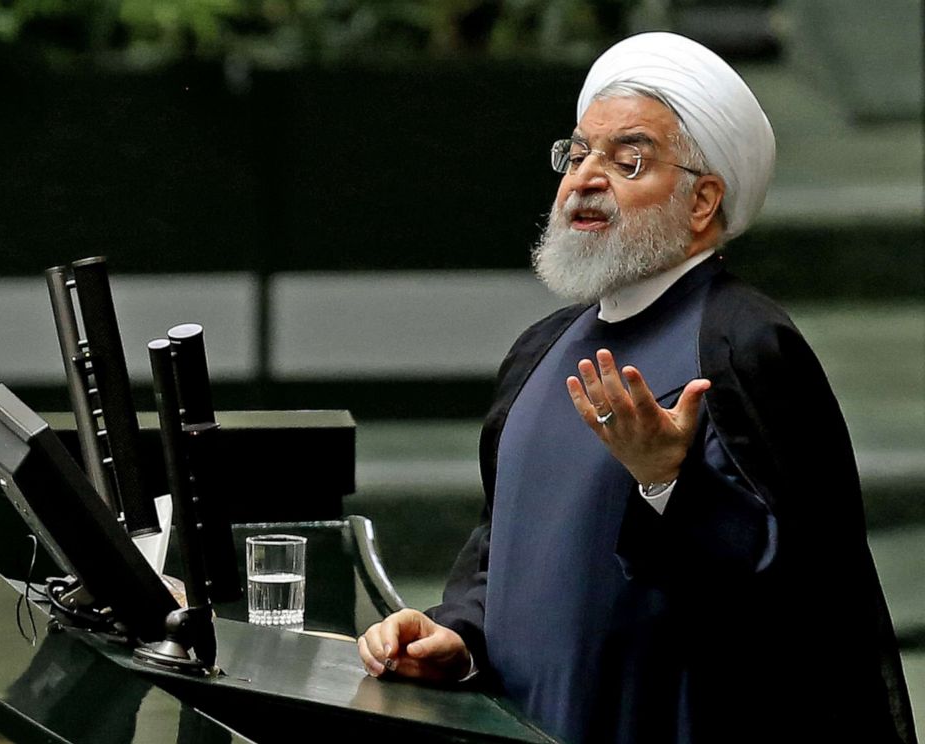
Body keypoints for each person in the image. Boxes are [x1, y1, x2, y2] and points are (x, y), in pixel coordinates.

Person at [357, 32, 916, 744]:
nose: (586, 178)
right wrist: (456, 636)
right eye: (578, 153)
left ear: (703, 200)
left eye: (628, 161)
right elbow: (506, 550)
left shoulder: (742, 344)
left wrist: (667, 484)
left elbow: (798, 593)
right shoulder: (543, 348)